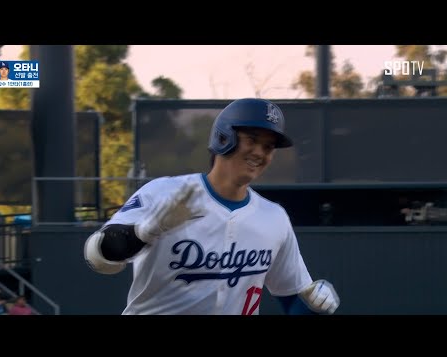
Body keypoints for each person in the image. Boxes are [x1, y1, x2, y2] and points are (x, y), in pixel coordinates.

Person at [84, 98, 340, 315]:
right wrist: (142, 233)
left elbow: (293, 296)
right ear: (223, 137)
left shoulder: (274, 218)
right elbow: (98, 256)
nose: (260, 152)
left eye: (268, 146)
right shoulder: (162, 193)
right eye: (252, 139)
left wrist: (315, 304)